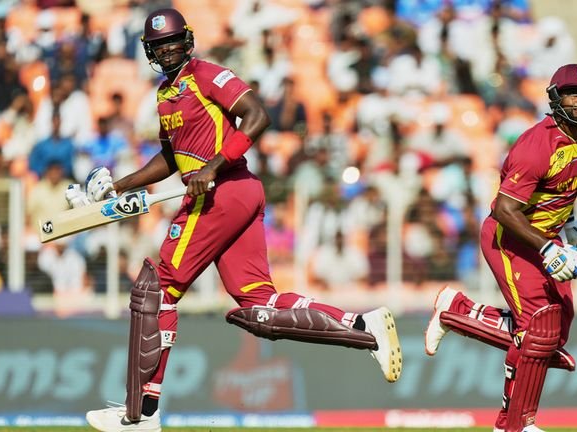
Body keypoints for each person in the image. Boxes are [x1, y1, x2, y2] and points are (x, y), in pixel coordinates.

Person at [66, 9, 402, 432]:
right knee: (258, 303)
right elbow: (171, 158)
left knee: (160, 289)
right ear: (150, 51)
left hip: (223, 191)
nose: (167, 49)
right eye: (158, 44)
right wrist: (122, 184)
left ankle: (141, 415)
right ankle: (361, 326)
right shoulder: (164, 94)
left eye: (172, 41)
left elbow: (257, 116)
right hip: (229, 195)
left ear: (187, 41)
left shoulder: (207, 75)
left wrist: (212, 167)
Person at [424, 63, 577, 432]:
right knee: (538, 331)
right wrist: (547, 248)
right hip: (510, 239)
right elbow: (504, 210)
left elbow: (560, 194)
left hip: (544, 238)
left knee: (553, 333)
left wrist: (570, 227)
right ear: (555, 98)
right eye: (574, 95)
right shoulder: (538, 144)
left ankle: (455, 310)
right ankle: (516, 425)